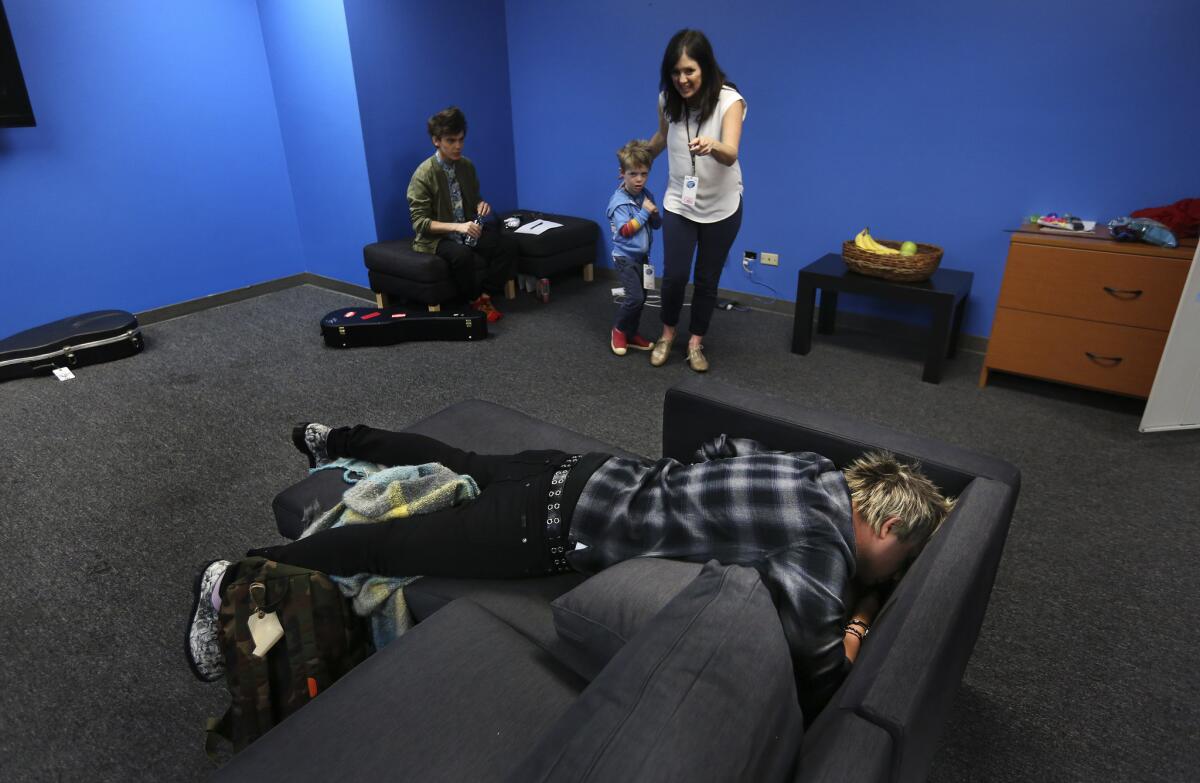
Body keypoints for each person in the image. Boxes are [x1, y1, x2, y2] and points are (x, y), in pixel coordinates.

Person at [187, 422, 955, 716]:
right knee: (387, 548)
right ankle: (232, 575)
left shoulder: (812, 467)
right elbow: (822, 672)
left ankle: (338, 438)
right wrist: (860, 613)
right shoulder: (824, 543)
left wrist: (693, 506)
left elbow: (717, 450)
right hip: (550, 528)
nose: (886, 575)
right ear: (885, 523)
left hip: (588, 468)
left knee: (463, 457)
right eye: (897, 562)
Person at [644, 29, 747, 373]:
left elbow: (730, 153)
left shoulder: (730, 101)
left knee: (706, 278)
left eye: (689, 71)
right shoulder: (667, 99)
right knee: (674, 275)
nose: (682, 79)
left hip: (722, 208)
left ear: (705, 67)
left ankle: (695, 342)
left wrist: (712, 145)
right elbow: (662, 136)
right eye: (675, 72)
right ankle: (667, 334)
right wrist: (639, 158)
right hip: (680, 202)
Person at [407, 106, 517, 322]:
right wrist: (458, 227)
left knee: (509, 246)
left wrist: (481, 205)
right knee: (462, 255)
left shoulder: (466, 166)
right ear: (436, 141)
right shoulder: (423, 174)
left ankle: (485, 295)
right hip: (437, 238)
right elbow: (420, 223)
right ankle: (473, 299)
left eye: (461, 140)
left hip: (467, 229)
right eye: (451, 141)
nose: (458, 146)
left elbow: (475, 198)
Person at [607, 140, 663, 356]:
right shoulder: (619, 202)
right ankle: (619, 330)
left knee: (643, 297)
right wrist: (645, 213)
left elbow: (656, 226)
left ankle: (631, 333)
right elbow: (625, 231)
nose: (639, 179)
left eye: (644, 174)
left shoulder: (646, 196)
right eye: (633, 174)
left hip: (643, 257)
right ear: (622, 173)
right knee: (635, 298)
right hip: (625, 258)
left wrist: (655, 214)